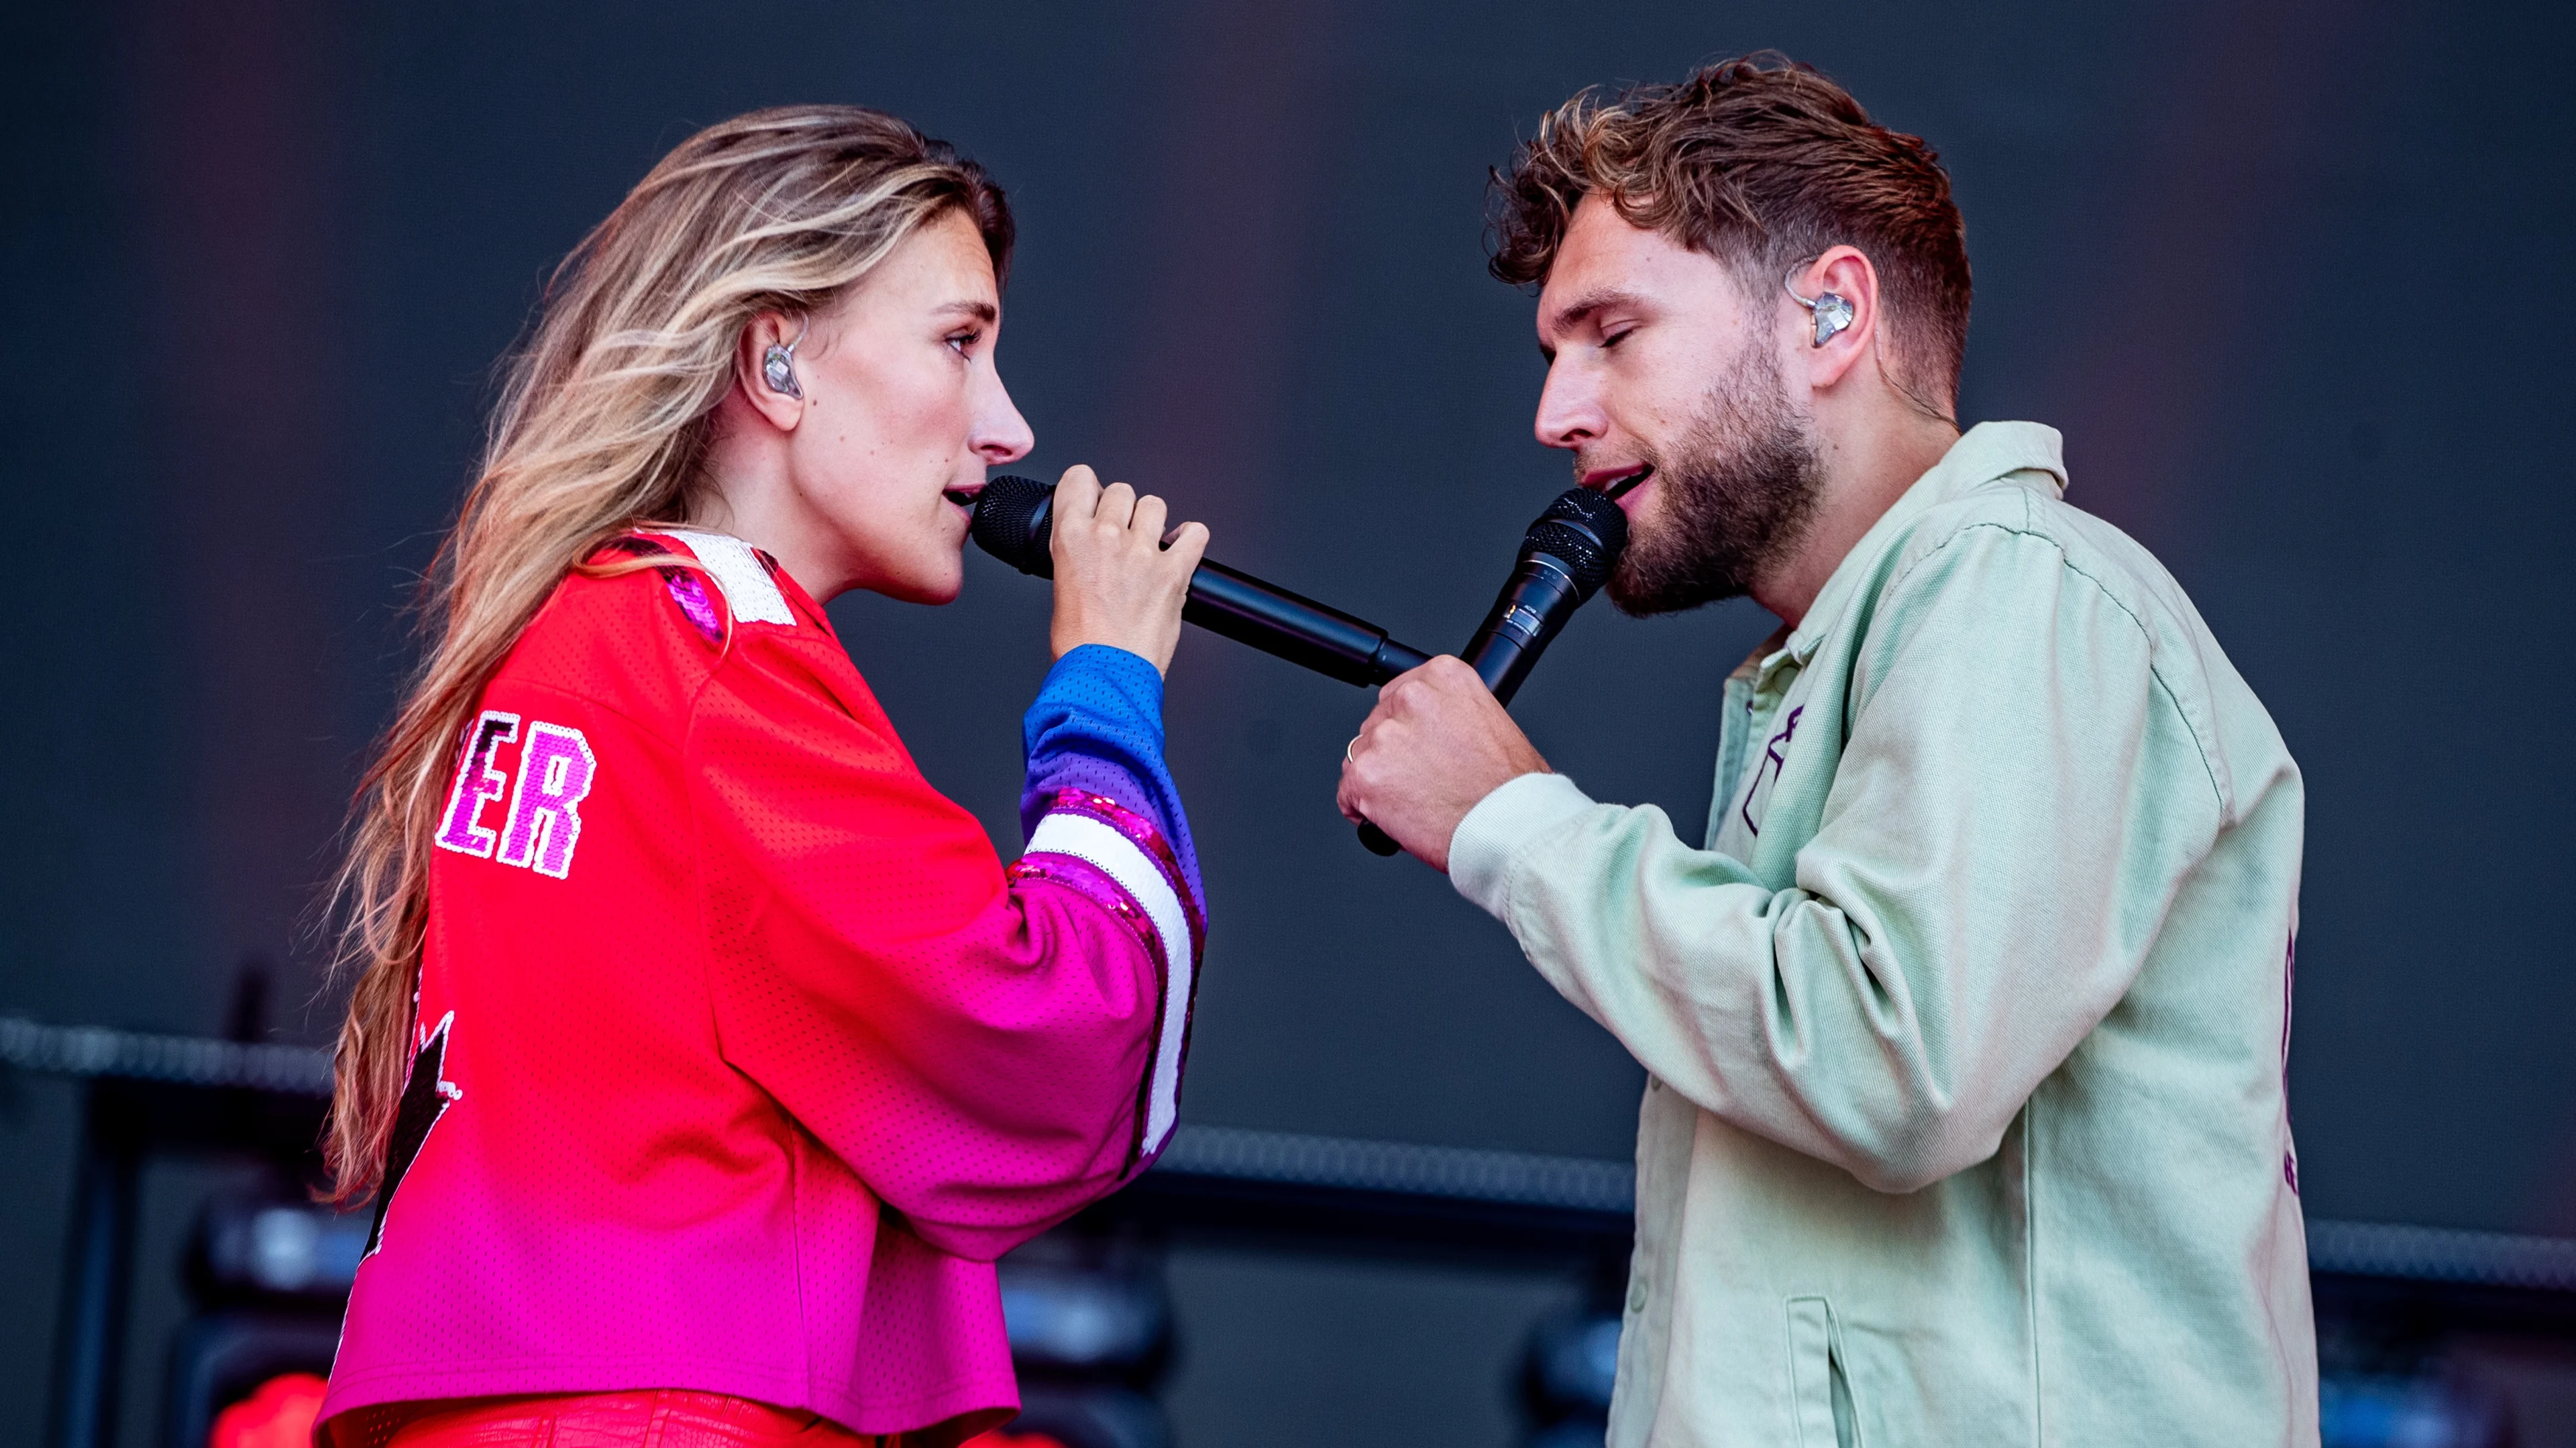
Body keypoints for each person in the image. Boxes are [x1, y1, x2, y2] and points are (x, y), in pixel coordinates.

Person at [1338, 56, 2314, 1446]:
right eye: (1554, 351)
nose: (1556, 411)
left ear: (1832, 313)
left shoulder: (2019, 590)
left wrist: (1515, 820)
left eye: (1611, 333)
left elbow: (1893, 1055)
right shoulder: (1887, 634)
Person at [314, 106, 1211, 1448]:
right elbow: (1044, 1036)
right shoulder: (717, 657)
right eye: (958, 343)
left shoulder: (585, 630)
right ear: (774, 359)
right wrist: (1106, 691)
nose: (1009, 425)